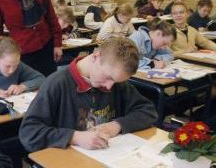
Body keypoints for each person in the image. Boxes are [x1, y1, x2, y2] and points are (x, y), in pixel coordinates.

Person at [18, 38, 157, 152]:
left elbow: (149, 111)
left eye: (115, 81)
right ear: (96, 57)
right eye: (108, 77)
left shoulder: (116, 84)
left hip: (106, 158)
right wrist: (75, 137)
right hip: (68, 164)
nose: (109, 86)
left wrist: (117, 125)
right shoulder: (57, 84)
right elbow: (28, 133)